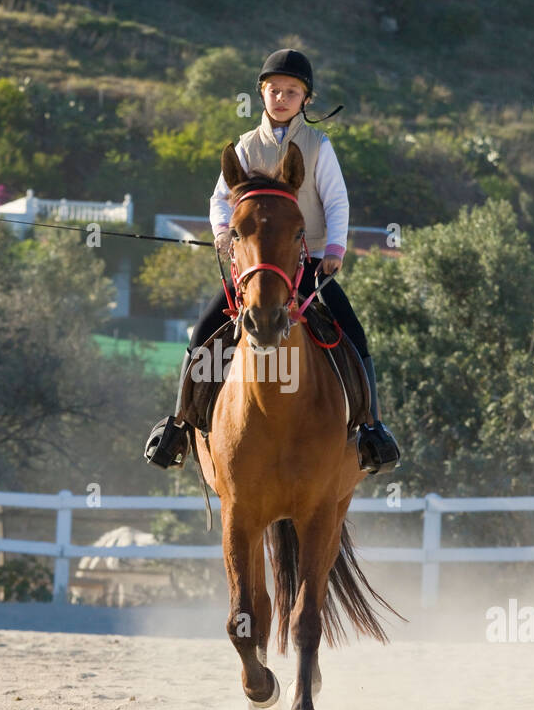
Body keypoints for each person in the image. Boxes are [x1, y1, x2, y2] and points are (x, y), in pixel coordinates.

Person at [144, 48, 399, 474]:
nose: (281, 98)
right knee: (205, 330)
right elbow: (218, 199)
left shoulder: (319, 146)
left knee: (353, 333)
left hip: (309, 264)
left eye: (291, 92)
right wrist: (223, 233)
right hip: (257, 267)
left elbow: (337, 201)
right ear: (262, 94)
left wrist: (334, 250)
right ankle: (180, 424)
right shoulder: (245, 146)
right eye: (274, 90)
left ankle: (371, 428)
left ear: (306, 99)